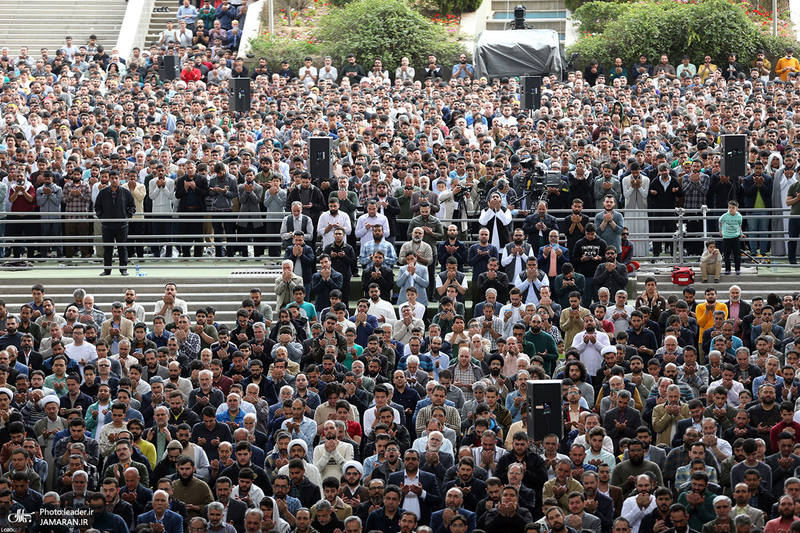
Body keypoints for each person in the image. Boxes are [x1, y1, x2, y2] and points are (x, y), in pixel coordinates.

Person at [94, 170, 135, 276]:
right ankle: (107, 270)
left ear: (119, 179)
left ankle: (123, 269)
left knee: (122, 248)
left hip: (122, 225)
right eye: (112, 178)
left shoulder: (126, 192)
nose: (114, 180)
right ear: (109, 179)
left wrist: (127, 216)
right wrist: (102, 217)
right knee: (107, 248)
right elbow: (97, 207)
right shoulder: (103, 192)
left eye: (116, 178)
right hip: (107, 225)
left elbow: (132, 206)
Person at [719, 200, 744, 275]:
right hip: (726, 237)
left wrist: (741, 233)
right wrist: (720, 230)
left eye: (733, 207)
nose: (731, 209)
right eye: (729, 207)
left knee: (737, 254)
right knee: (727, 254)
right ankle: (727, 269)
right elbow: (720, 221)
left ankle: (737, 269)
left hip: (735, 237)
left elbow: (739, 225)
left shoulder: (739, 216)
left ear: (737, 208)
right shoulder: (724, 216)